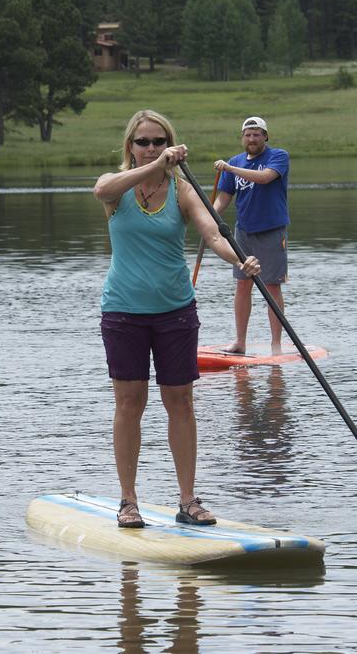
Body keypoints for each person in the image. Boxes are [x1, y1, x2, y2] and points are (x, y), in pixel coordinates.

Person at [94, 109, 261, 529]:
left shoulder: (183, 190)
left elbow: (213, 233)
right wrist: (154, 165)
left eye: (159, 141)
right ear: (130, 146)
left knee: (180, 403)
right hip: (124, 313)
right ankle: (128, 502)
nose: (151, 147)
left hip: (175, 313)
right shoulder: (117, 190)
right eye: (143, 142)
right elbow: (100, 189)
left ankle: (188, 501)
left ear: (170, 143)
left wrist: (241, 260)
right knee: (130, 404)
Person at [213, 116, 290, 355]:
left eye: (257, 134)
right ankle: (240, 342)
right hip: (243, 232)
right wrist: (209, 219)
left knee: (271, 287)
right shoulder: (235, 162)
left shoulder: (278, 156)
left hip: (271, 230)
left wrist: (230, 168)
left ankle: (276, 344)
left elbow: (265, 177)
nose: (252, 138)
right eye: (248, 134)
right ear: (242, 138)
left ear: (265, 136)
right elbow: (224, 197)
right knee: (242, 285)